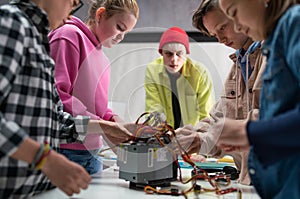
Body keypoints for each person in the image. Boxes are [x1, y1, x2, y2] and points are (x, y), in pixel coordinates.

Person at [0, 0, 134, 197]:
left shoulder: (38, 40)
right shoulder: (12, 22)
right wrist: (44, 158)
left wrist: (108, 126)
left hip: (34, 187)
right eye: (73, 2)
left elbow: (56, 118)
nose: (72, 11)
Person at [174, 0, 265, 185]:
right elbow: (218, 120)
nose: (220, 39)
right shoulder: (238, 66)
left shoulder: (274, 55)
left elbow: (272, 120)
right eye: (214, 35)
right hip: (249, 182)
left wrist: (206, 138)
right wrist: (189, 136)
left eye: (223, 28)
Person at [216, 0, 300, 198]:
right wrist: (257, 137)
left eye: (234, 12)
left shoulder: (294, 24)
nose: (237, 26)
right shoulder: (275, 42)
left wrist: (250, 132)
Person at [49, 0, 139, 175]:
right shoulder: (69, 36)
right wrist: (105, 125)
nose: (121, 37)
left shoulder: (103, 59)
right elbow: (58, 97)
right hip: (66, 149)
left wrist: (119, 123)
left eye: (126, 32)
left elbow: (99, 108)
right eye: (120, 27)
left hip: (92, 154)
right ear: (100, 15)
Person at [144, 26, 214, 130]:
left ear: (186, 54)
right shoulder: (152, 71)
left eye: (179, 54)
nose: (174, 59)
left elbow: (206, 114)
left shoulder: (200, 72)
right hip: (165, 133)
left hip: (193, 134)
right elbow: (153, 107)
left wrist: (197, 136)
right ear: (161, 53)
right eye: (168, 54)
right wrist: (160, 131)